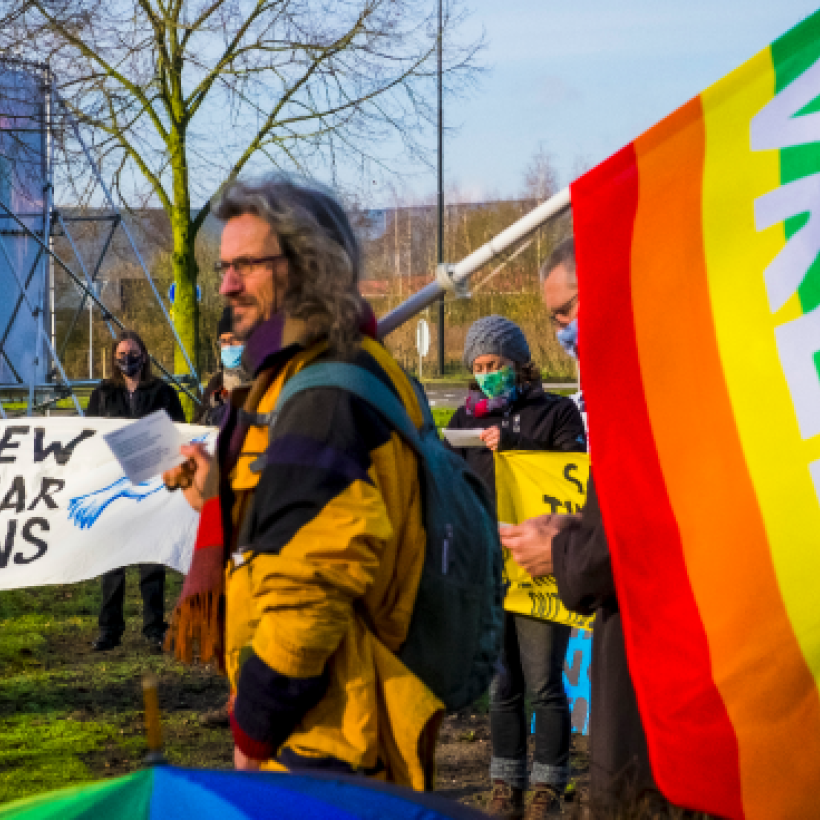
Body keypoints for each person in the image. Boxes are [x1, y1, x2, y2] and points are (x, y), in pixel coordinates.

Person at [163, 176, 442, 789]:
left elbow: (309, 592)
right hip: (336, 719)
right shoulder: (327, 370)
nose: (228, 284)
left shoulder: (323, 393)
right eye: (223, 266)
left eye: (247, 265)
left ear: (309, 265)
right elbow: (303, 517)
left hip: (323, 736)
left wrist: (254, 729)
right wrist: (222, 494)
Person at [501, 240, 657, 807]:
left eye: (565, 312)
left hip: (645, 670)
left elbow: (636, 535)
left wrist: (562, 553)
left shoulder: (631, 390)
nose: (561, 330)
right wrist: (579, 524)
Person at [445, 315, 586, 820]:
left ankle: (548, 786)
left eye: (495, 364)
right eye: (478, 367)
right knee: (503, 686)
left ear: (517, 362)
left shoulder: (558, 413)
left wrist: (515, 452)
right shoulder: (463, 421)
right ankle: (505, 782)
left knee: (544, 682)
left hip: (541, 569)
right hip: (489, 570)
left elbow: (573, 481)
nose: (486, 374)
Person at [87, 330, 186, 653]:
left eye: (133, 352)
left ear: (144, 355)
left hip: (151, 486)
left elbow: (179, 432)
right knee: (112, 561)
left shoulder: (163, 393)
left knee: (150, 560)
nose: (127, 358)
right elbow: (89, 435)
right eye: (121, 354)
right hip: (114, 486)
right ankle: (109, 629)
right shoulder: (102, 393)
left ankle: (155, 627)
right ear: (114, 359)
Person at [193, 307, 248, 427]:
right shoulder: (216, 382)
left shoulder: (261, 377)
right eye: (223, 341)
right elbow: (198, 423)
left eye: (234, 339)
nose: (228, 345)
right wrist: (215, 409)